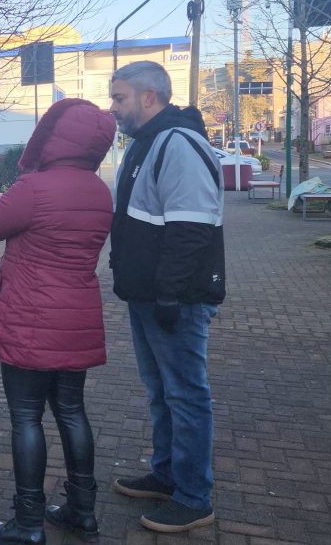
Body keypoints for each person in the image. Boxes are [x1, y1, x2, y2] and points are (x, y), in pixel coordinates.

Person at [0, 98, 117, 544]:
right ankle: (83, 511)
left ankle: (28, 523)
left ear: (53, 135)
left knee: (25, 417)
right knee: (71, 411)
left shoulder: (36, 187)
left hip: (30, 317)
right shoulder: (99, 190)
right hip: (76, 317)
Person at [107, 61, 225, 534]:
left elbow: (192, 228)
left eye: (120, 98)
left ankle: (194, 496)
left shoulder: (177, 144)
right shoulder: (149, 143)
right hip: (148, 296)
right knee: (161, 393)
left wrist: (170, 296)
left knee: (185, 394)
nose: (113, 108)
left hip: (172, 299)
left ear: (149, 97)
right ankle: (166, 474)